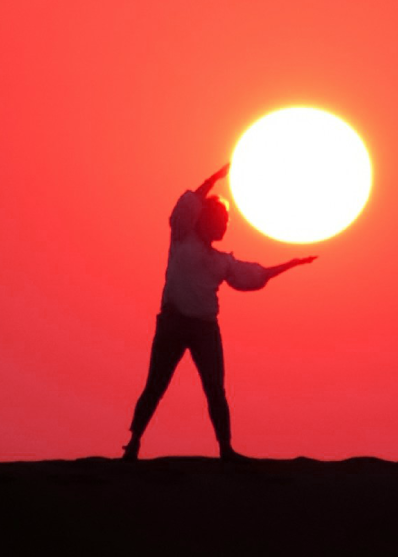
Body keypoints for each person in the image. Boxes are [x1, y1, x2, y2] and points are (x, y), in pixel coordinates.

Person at [124, 163, 316, 461]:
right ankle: (134, 443)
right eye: (221, 220)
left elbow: (254, 275)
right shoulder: (182, 237)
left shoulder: (221, 261)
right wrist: (213, 179)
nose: (225, 226)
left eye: (226, 221)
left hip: (205, 329)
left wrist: (290, 265)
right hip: (173, 323)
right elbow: (187, 206)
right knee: (156, 385)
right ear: (205, 220)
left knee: (215, 389)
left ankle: (225, 449)